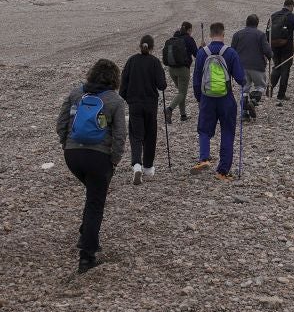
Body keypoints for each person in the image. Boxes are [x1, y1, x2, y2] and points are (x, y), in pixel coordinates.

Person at [57, 58, 128, 272]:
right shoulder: (115, 100)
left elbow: (61, 123)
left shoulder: (75, 93)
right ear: (115, 78)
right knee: (96, 202)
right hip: (99, 157)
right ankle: (87, 256)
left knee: (93, 195)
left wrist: (66, 145)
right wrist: (114, 159)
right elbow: (120, 135)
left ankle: (86, 231)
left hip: (73, 156)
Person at [190, 22, 244, 179]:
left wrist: (200, 99)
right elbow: (241, 79)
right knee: (227, 131)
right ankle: (222, 171)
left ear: (210, 34)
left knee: (204, 130)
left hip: (207, 98)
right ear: (223, 34)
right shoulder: (230, 52)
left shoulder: (202, 53)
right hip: (226, 99)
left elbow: (196, 80)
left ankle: (204, 158)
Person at [118, 35, 166, 186]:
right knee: (150, 134)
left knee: (136, 135)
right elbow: (162, 85)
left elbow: (123, 85)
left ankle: (136, 165)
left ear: (139, 46)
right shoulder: (155, 62)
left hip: (135, 104)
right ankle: (148, 167)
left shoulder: (132, 61)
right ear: (152, 47)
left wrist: (128, 98)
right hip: (150, 104)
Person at [230, 14, 271, 121]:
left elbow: (232, 51)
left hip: (241, 66)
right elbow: (266, 50)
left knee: (244, 88)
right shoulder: (260, 35)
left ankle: (244, 113)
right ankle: (253, 102)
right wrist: (271, 56)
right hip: (257, 66)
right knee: (260, 86)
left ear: (246, 22)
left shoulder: (237, 35)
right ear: (257, 24)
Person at [268, 0, 294, 103]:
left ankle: (269, 90)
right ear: (291, 6)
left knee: (277, 67)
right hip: (287, 47)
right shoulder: (293, 17)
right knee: (285, 70)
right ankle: (281, 95)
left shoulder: (273, 15)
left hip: (274, 46)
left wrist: (268, 46)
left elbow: (268, 32)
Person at [161, 22, 197, 125]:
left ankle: (183, 115)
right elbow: (197, 54)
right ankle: (169, 109)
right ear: (189, 30)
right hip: (183, 70)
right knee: (182, 93)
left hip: (171, 69)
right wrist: (201, 48)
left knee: (181, 92)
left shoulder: (174, 38)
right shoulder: (189, 39)